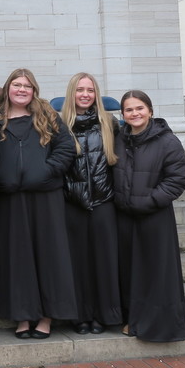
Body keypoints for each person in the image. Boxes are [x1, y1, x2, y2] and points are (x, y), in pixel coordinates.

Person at [0, 68, 77, 340]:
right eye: (17, 85)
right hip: (10, 200)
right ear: (7, 88)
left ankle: (47, 318)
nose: (22, 90)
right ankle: (23, 316)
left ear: (34, 90)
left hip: (45, 198)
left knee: (47, 256)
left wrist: (47, 171)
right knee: (17, 259)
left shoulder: (48, 117)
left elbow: (66, 149)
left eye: (27, 86)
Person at [113, 90, 185, 342]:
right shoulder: (118, 140)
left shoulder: (168, 142)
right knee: (130, 272)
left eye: (139, 108)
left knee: (155, 273)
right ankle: (132, 320)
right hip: (124, 217)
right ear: (122, 115)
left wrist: (147, 201)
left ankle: (156, 325)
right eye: (129, 110)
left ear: (150, 111)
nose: (135, 113)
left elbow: (176, 181)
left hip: (154, 217)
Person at [61, 72, 122, 335]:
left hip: (103, 201)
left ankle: (104, 315)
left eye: (90, 90)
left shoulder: (111, 124)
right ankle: (81, 316)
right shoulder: (60, 125)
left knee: (104, 261)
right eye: (79, 90)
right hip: (72, 203)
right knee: (78, 263)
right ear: (71, 93)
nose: (85, 95)